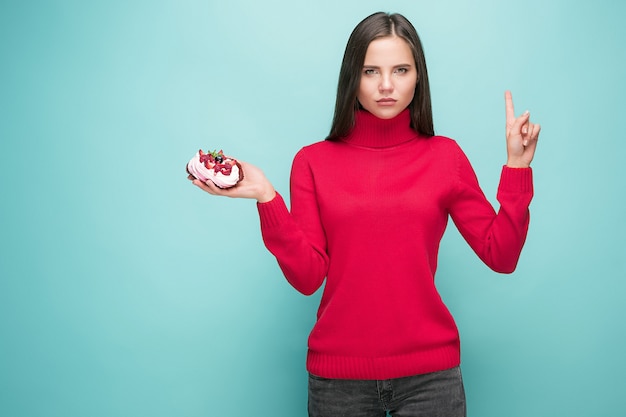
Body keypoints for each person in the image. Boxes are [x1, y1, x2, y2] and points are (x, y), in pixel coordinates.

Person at [190, 11, 540, 417]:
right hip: (338, 381)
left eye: (401, 70)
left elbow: (502, 255)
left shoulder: (445, 156)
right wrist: (267, 198)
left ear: (418, 77)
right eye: (371, 70)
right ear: (351, 77)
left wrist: (517, 167)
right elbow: (307, 278)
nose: (386, 85)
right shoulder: (312, 162)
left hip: (432, 378)